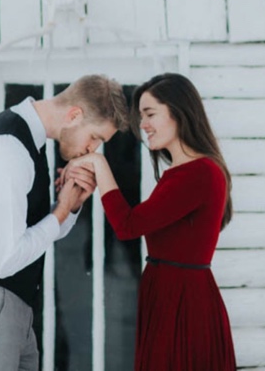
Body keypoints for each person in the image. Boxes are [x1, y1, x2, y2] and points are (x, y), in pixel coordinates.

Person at [0, 74, 129, 371]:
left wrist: (71, 205)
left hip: (9, 306)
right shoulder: (8, 149)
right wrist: (60, 212)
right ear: (74, 114)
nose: (92, 149)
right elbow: (4, 259)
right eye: (95, 137)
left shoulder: (30, 141)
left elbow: (30, 236)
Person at [74, 72, 236, 371]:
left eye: (150, 114)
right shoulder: (181, 172)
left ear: (179, 112)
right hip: (169, 293)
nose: (143, 125)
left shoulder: (199, 173)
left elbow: (128, 225)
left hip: (183, 300)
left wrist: (99, 163)